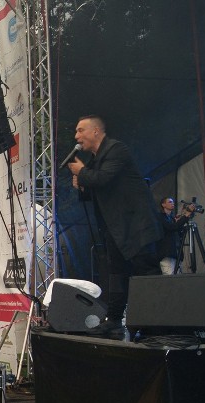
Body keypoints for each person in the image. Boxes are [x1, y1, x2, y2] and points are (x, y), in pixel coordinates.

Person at [67, 115, 162, 338]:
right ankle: (114, 320)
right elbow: (97, 190)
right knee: (116, 274)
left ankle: (157, 322)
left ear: (96, 131)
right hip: (115, 228)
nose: (77, 136)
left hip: (135, 225)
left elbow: (102, 179)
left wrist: (81, 173)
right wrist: (82, 186)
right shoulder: (94, 159)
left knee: (146, 271)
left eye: (81, 131)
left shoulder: (116, 150)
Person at [156, 197, 195, 275]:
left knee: (177, 279)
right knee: (170, 279)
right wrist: (186, 215)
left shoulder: (172, 218)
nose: (172, 203)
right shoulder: (160, 217)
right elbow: (172, 227)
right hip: (167, 254)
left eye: (173, 202)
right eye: (170, 202)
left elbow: (178, 230)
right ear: (163, 204)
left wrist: (182, 219)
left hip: (176, 254)